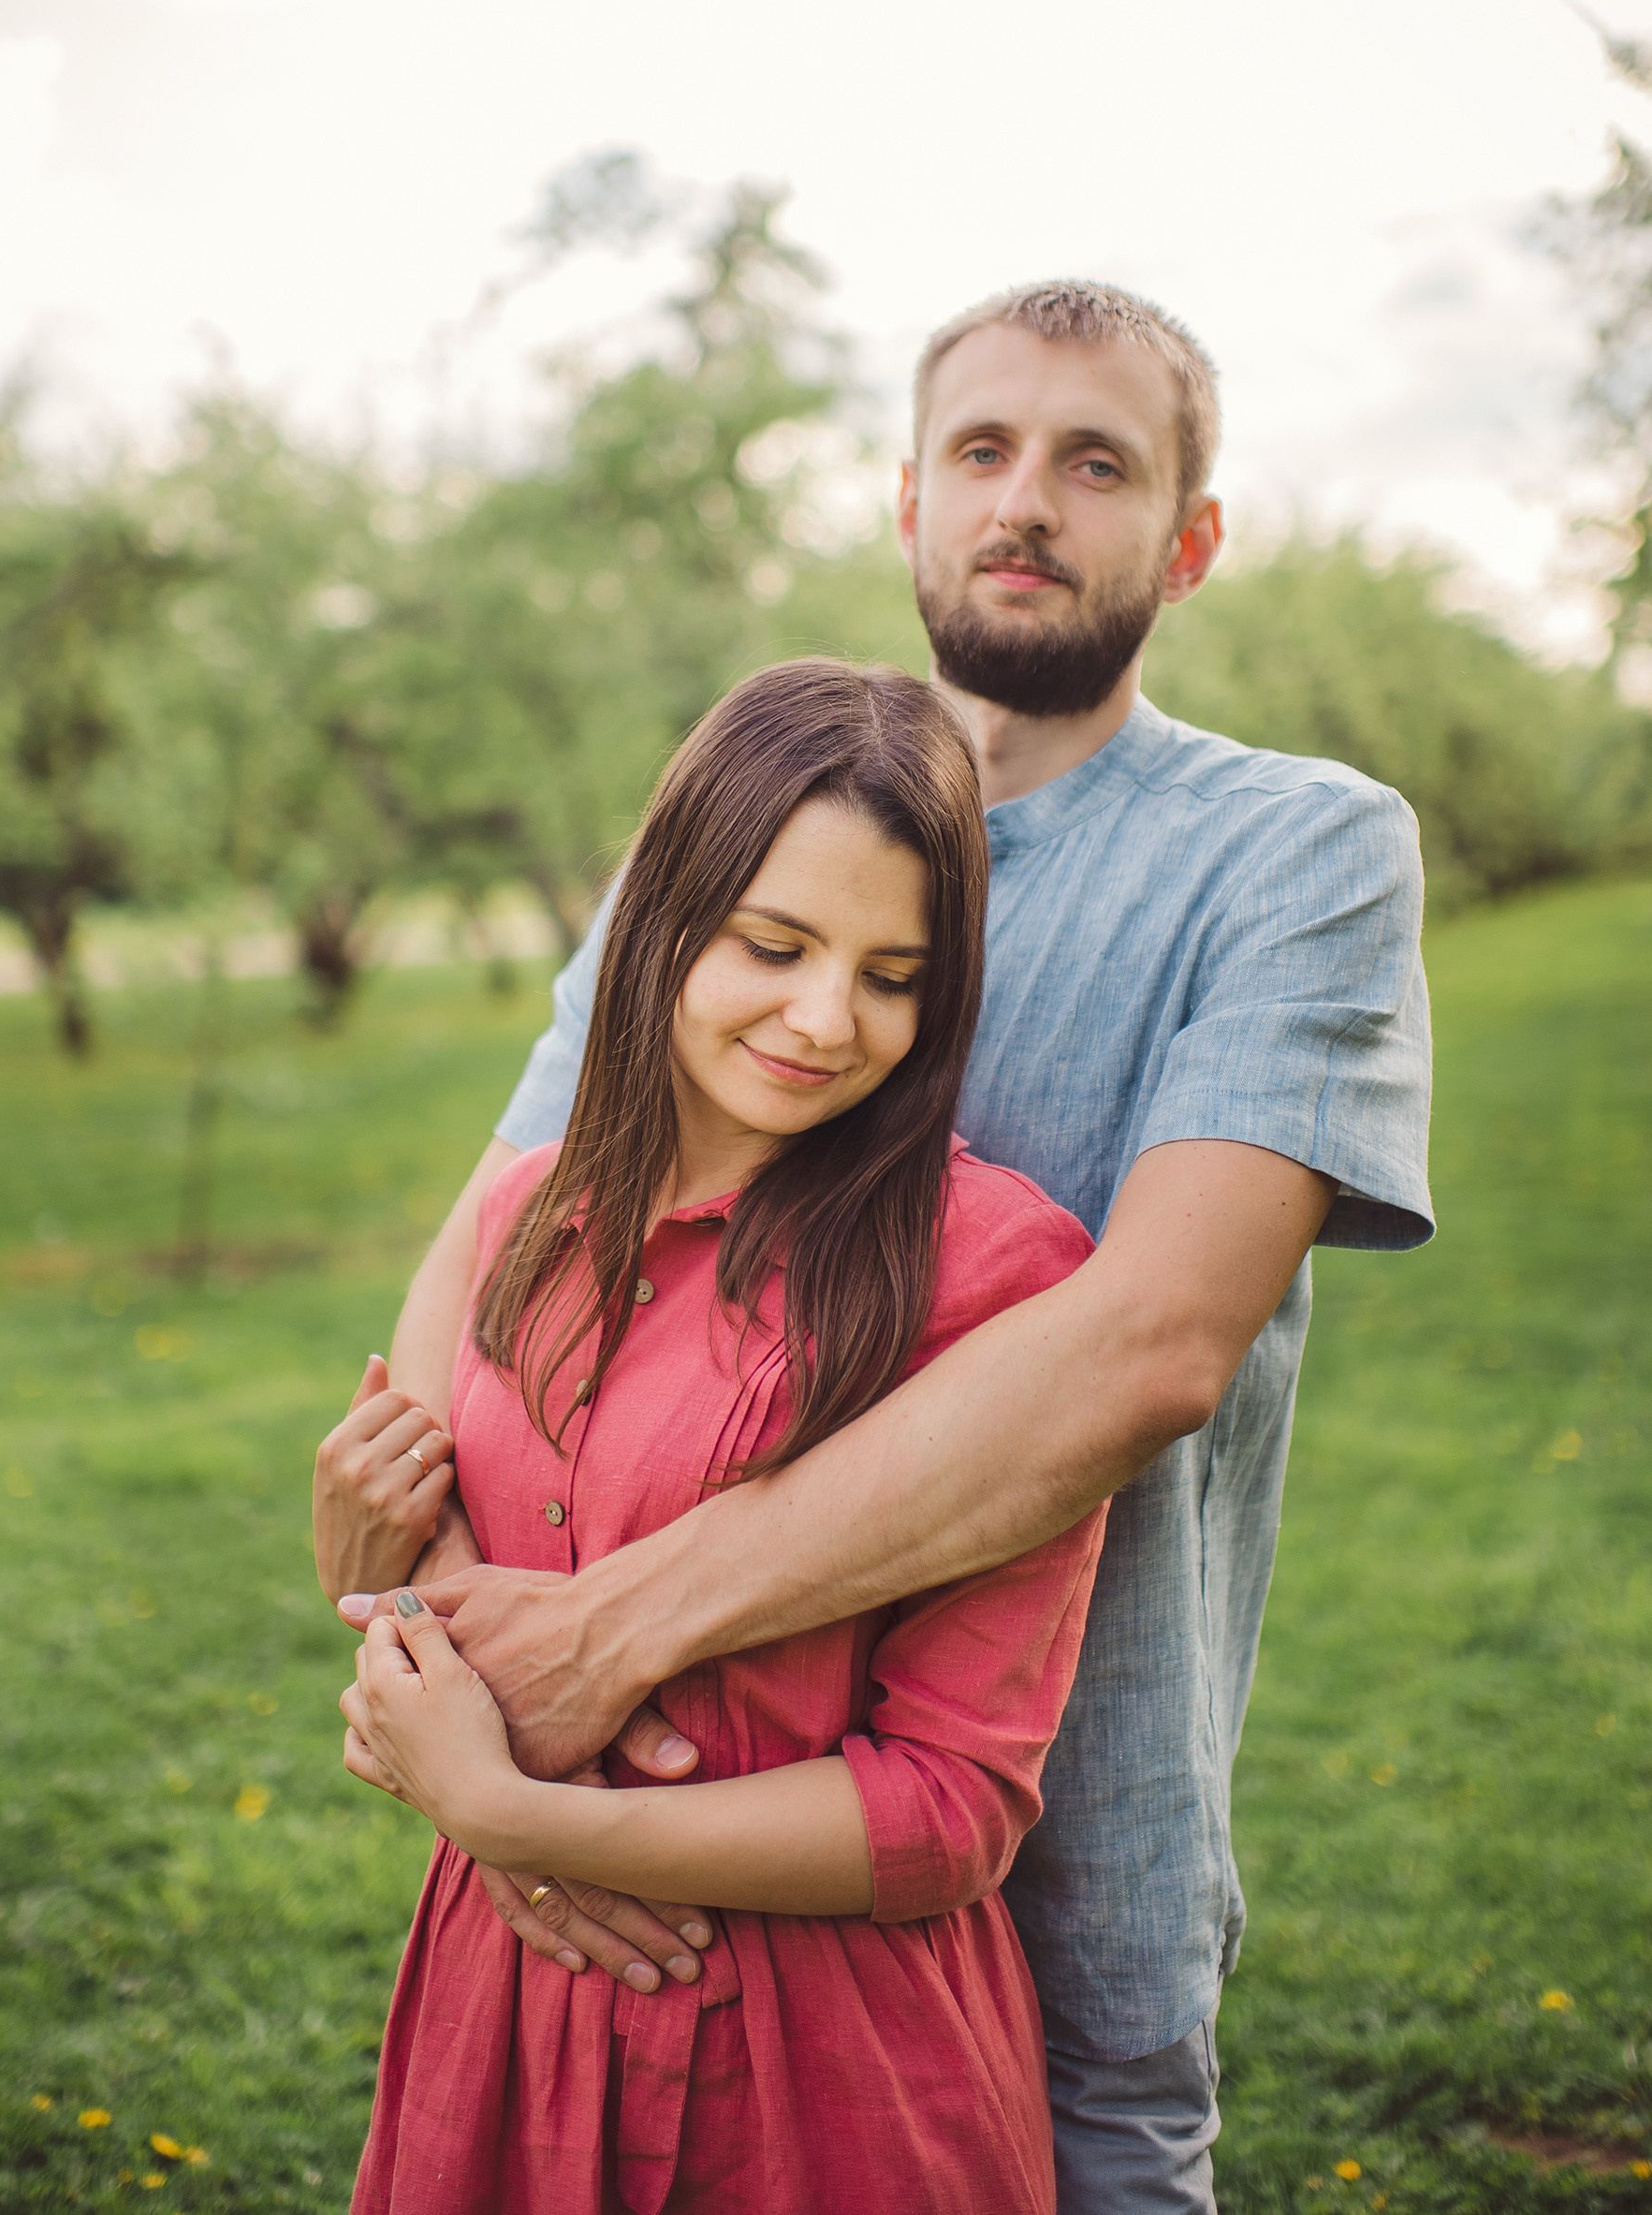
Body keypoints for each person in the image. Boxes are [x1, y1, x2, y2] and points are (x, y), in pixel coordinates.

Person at [318, 280, 1435, 2212]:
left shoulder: (1293, 853)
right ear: (904, 499)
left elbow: (1144, 1346)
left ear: (1189, 538)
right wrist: (483, 1749)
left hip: (1042, 1858)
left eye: (1097, 462)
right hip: (580, 1887)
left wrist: (596, 1656)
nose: (1026, 502)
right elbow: (489, 1255)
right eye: (981, 452)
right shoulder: (751, 831)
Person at [337, 657, 1107, 2214]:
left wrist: (506, 1813)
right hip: (501, 2026)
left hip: (820, 2084)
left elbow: (951, 1810)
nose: (827, 1021)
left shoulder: (999, 1280)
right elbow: (424, 1606)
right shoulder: (525, 1219)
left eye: (893, 975)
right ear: (666, 915)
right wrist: (372, 1584)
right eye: (775, 944)